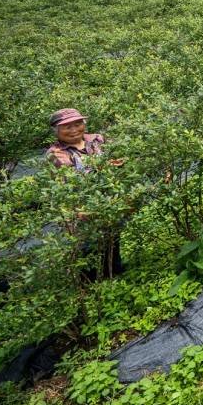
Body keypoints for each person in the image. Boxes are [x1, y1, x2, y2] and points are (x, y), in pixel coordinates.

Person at [44, 107, 126, 278]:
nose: (74, 130)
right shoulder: (55, 153)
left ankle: (115, 272)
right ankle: (91, 283)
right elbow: (74, 177)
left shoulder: (97, 139)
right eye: (67, 127)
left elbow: (118, 152)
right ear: (56, 130)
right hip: (81, 207)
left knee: (112, 238)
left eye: (78, 123)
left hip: (107, 200)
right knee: (88, 247)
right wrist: (104, 166)